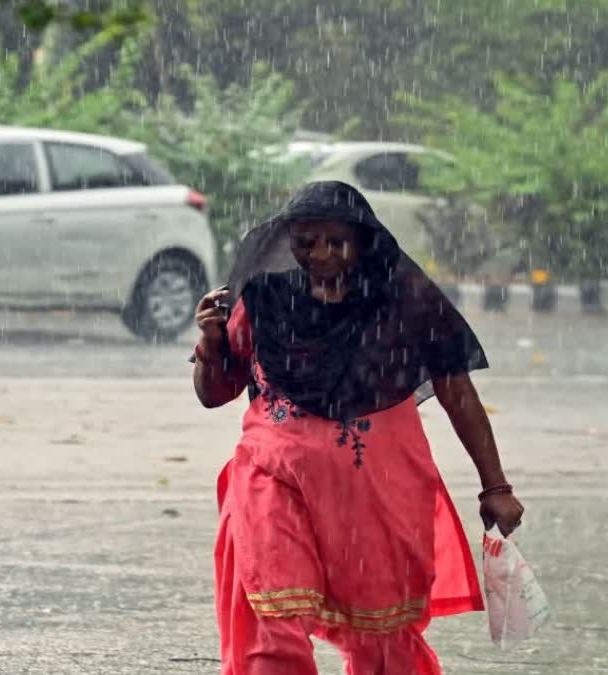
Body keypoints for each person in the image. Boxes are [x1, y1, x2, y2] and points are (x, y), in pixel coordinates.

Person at [191, 181, 524, 674]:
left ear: (363, 241)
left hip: (376, 491)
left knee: (381, 636)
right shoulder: (262, 297)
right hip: (271, 474)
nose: (320, 254)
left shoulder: (403, 299)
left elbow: (456, 390)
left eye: (335, 242)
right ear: (288, 240)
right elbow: (214, 393)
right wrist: (211, 342)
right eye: (306, 242)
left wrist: (494, 485)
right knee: (272, 613)